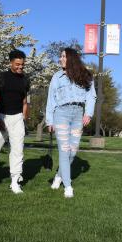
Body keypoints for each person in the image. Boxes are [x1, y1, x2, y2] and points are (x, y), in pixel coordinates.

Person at [46, 48, 96, 198]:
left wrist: (88, 113)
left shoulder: (85, 76)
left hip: (78, 114)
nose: (60, 59)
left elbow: (91, 96)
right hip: (61, 114)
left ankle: (58, 176)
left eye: (63, 56)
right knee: (64, 150)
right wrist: (49, 120)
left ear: (71, 59)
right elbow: (51, 99)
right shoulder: (57, 77)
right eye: (60, 56)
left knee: (73, 151)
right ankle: (68, 186)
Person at [0, 49, 30, 194]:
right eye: (17, 64)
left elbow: (25, 101)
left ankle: (15, 181)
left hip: (17, 118)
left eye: (22, 65)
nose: (20, 67)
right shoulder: (0, 78)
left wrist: (24, 118)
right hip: (1, 117)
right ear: (10, 62)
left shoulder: (25, 80)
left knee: (17, 151)